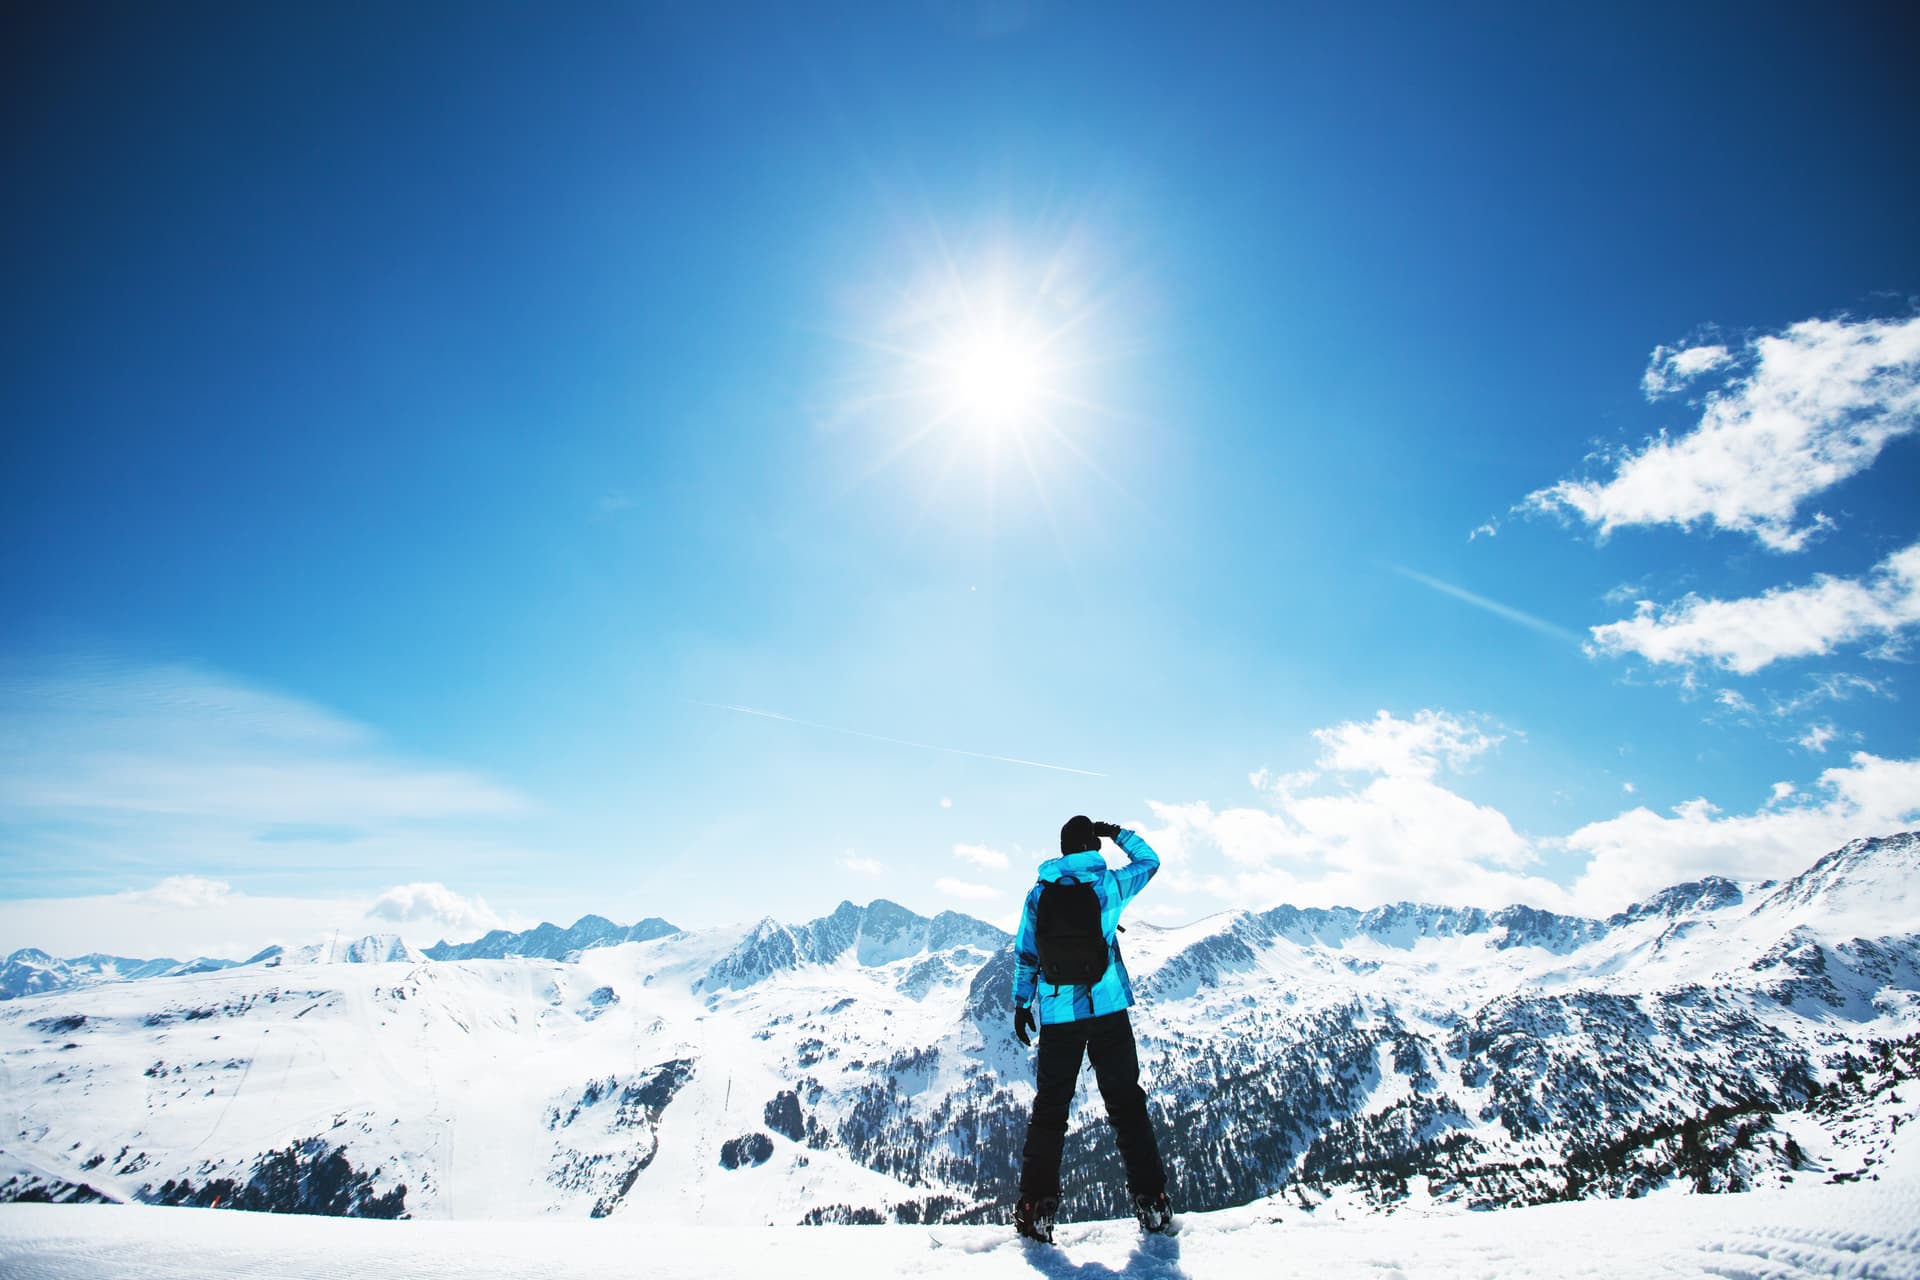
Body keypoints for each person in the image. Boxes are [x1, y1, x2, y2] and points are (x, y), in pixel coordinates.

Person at [1010, 814, 1171, 1243]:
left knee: (1050, 1111)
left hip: (1060, 1016)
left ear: (1063, 850)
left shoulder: (1039, 894)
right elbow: (1150, 860)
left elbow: (1026, 951)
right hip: (1108, 1013)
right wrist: (1116, 832)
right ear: (1092, 847)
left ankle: (1035, 1210)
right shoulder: (1109, 886)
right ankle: (1152, 1203)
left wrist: (1022, 1002)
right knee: (1127, 1107)